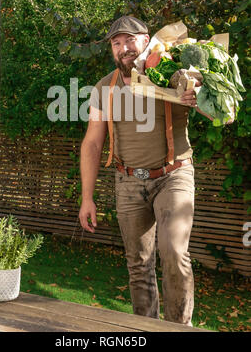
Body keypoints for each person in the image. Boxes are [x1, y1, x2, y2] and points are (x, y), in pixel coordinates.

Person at [79, 16, 214, 326]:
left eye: (130, 40)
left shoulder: (173, 73)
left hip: (173, 175)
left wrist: (198, 97)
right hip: (128, 181)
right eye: (117, 43)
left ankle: (179, 326)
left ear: (147, 40)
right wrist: (87, 198)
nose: (124, 48)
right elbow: (92, 145)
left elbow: (219, 111)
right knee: (138, 264)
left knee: (173, 252)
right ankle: (145, 327)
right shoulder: (104, 88)